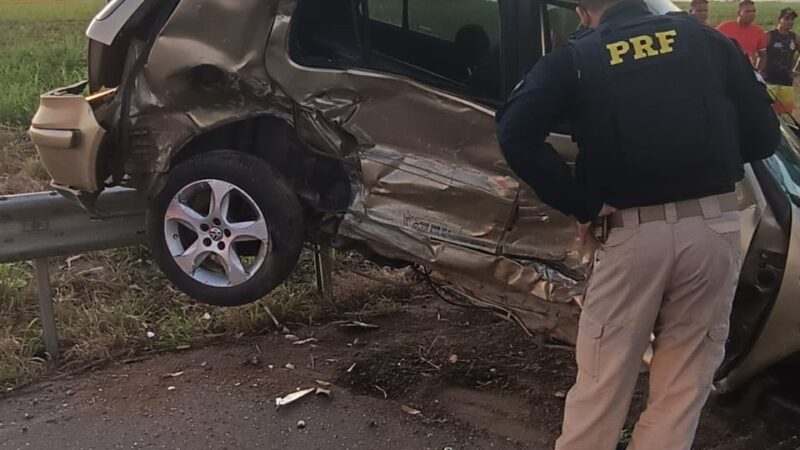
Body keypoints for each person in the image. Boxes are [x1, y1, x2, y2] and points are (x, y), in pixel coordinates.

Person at [495, 0, 780, 448]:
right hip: (713, 229)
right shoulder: (706, 39)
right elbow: (764, 136)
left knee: (602, 383)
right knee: (683, 387)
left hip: (630, 234)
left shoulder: (578, 56)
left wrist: (583, 203)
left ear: (586, 12)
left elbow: (515, 134)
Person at [762, 7, 800, 116]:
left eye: (792, 19)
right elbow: (758, 54)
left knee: (785, 115)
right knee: (765, 112)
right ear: (779, 20)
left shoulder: (795, 38)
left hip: (786, 82)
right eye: (787, 19)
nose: (790, 22)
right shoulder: (769, 35)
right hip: (768, 82)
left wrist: (796, 70)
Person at [717, 0, 767, 68]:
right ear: (738, 13)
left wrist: (758, 72)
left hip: (747, 71)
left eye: (753, 11)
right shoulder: (723, 28)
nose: (752, 14)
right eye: (747, 11)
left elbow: (763, 55)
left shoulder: (759, 31)